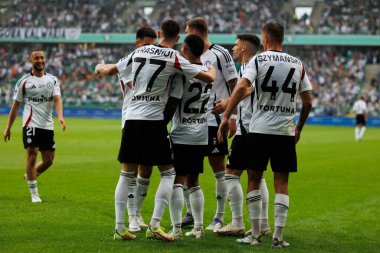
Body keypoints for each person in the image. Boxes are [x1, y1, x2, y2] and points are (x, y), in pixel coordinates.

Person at [94, 19, 216, 241]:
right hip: (153, 119)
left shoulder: (138, 52)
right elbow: (207, 78)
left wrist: (99, 67)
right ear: (178, 38)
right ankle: (155, 225)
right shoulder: (174, 57)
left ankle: (120, 227)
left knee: (125, 173)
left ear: (159, 33)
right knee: (169, 173)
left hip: (131, 117)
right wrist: (211, 69)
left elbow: (110, 70)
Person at [218, 21, 312, 248]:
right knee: (281, 182)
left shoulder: (258, 60)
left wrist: (225, 116)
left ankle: (256, 234)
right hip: (285, 130)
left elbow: (241, 88)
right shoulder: (298, 64)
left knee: (253, 179)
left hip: (259, 130)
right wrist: (299, 126)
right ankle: (278, 237)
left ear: (266, 38)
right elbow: (308, 100)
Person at [214, 34, 271, 238]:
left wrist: (228, 104)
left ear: (245, 48)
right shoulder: (255, 66)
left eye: (236, 46)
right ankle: (263, 224)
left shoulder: (251, 67)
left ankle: (237, 221)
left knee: (230, 174)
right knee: (258, 175)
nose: (233, 49)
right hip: (254, 126)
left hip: (248, 127)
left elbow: (248, 89)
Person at [183, 17, 238, 231]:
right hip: (192, 121)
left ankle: (219, 216)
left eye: (187, 32)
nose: (185, 36)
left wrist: (231, 116)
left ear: (195, 33)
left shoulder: (221, 54)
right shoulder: (187, 54)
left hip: (215, 121)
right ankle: (190, 211)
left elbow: (234, 85)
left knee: (219, 169)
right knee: (189, 170)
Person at [3, 50, 66, 203]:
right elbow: (16, 106)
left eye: (42, 57)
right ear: (31, 61)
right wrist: (8, 127)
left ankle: (31, 174)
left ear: (45, 60)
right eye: (36, 58)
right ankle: (34, 193)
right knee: (32, 156)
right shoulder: (23, 82)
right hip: (30, 123)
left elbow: (57, 100)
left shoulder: (52, 80)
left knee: (49, 160)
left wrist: (60, 117)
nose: (40, 60)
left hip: (47, 125)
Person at [166, 34, 212, 240]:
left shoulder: (182, 73)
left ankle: (176, 229)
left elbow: (173, 101)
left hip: (182, 133)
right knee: (193, 180)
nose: (181, 50)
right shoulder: (207, 71)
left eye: (183, 47)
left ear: (187, 49)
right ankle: (199, 226)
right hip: (201, 133)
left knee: (176, 180)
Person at [117, 26, 157, 234]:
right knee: (131, 170)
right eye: (147, 44)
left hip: (150, 119)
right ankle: (131, 216)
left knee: (147, 168)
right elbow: (136, 87)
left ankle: (137, 212)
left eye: (154, 45)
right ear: (137, 43)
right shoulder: (129, 63)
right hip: (132, 118)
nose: (151, 49)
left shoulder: (155, 60)